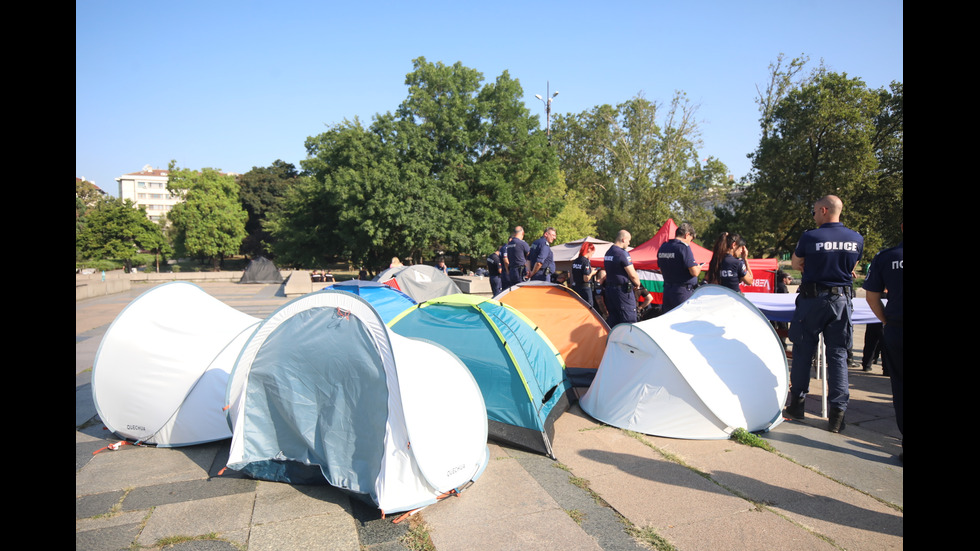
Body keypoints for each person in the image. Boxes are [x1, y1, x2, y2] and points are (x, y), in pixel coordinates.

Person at [783, 195, 863, 433]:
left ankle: (797, 405)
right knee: (838, 355)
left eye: (815, 211)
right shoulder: (856, 238)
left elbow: (796, 264)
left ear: (824, 210)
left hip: (812, 300)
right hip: (841, 301)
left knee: (803, 352)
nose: (814, 215)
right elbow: (852, 267)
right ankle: (837, 415)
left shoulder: (811, 236)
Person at [862, 222, 902, 459]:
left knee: (900, 386)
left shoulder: (887, 257)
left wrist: (885, 320)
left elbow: (871, 297)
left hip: (898, 329)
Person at [658, 223, 703, 313]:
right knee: (683, 322)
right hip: (682, 292)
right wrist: (698, 267)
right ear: (687, 235)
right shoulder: (683, 247)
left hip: (667, 290)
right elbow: (694, 272)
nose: (690, 242)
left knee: (668, 319)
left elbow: (661, 269)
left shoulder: (663, 247)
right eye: (691, 239)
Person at [603, 230, 642, 327]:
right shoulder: (622, 253)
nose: (629, 243)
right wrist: (637, 284)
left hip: (610, 290)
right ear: (623, 239)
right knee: (629, 321)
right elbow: (632, 274)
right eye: (629, 241)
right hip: (622, 292)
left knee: (614, 320)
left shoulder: (608, 252)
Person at [571, 242, 597, 307]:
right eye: (592, 253)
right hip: (585, 288)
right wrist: (593, 272)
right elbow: (586, 278)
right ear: (589, 250)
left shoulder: (576, 261)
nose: (592, 255)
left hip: (576, 287)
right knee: (589, 307)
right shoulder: (585, 261)